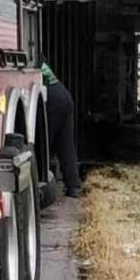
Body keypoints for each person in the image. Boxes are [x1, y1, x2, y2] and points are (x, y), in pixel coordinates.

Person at [42, 61, 82, 198]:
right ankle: (74, 186)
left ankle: (42, 185)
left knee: (43, 145)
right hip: (63, 96)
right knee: (66, 146)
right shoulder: (39, 58)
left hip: (51, 100)